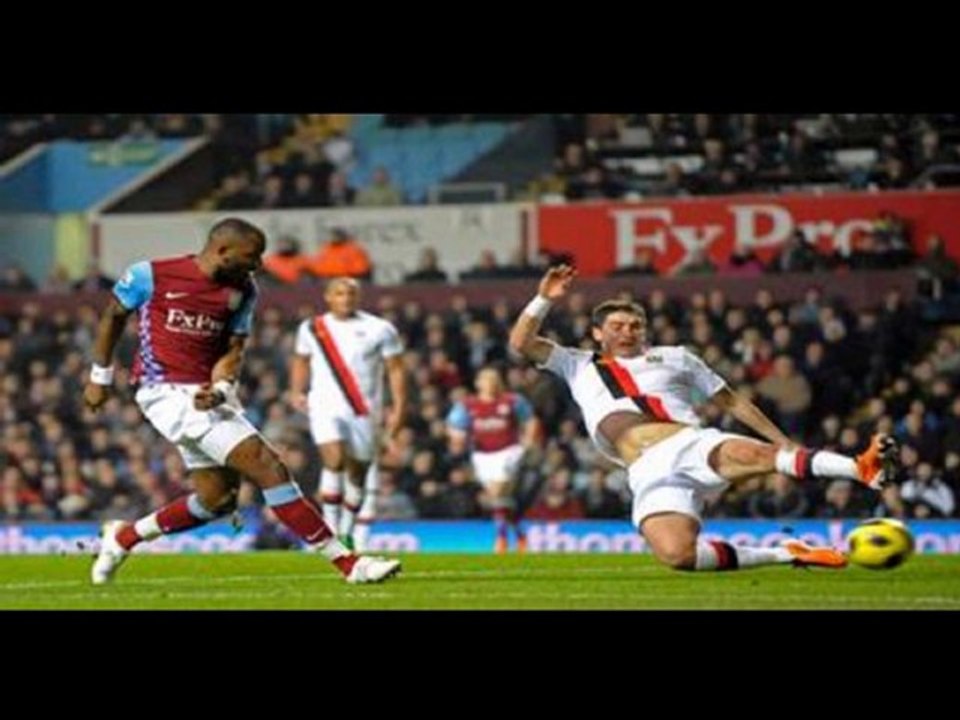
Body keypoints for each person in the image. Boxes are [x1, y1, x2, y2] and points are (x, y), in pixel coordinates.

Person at [508, 264, 898, 573]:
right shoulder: (577, 364)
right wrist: (543, 299)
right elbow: (521, 343)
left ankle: (860, 467)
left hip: (689, 443)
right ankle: (788, 553)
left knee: (761, 456)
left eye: (635, 325)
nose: (628, 332)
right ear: (597, 333)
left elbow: (732, 402)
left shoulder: (676, 356)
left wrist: (782, 439)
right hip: (645, 470)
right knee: (678, 555)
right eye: (617, 326)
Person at [84, 218, 399, 585]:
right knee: (269, 467)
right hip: (163, 390)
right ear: (222, 251)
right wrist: (100, 376)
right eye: (251, 257)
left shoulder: (243, 289)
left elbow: (234, 349)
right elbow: (113, 315)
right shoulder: (149, 275)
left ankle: (123, 537)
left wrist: (220, 387)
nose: (258, 265)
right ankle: (350, 564)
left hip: (207, 394)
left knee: (217, 500)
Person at [287, 277, 407, 551]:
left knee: (357, 473)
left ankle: (347, 529)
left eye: (351, 293)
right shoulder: (312, 328)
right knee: (335, 458)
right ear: (328, 297)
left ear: (359, 297)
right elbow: (300, 359)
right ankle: (329, 527)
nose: (346, 298)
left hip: (364, 410)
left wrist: (399, 408)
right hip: (325, 405)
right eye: (339, 294)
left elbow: (396, 370)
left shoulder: (380, 329)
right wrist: (296, 390)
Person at [446, 367, 539, 553]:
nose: (490, 383)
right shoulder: (467, 405)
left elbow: (530, 420)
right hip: (482, 455)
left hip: (508, 451)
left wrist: (529, 439)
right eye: (486, 379)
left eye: (493, 379)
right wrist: (457, 438)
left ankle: (501, 539)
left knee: (497, 493)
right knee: (499, 499)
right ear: (478, 383)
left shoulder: (512, 401)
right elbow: (453, 425)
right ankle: (520, 536)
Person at [306, 228, 372, 281]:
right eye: (333, 236)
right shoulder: (326, 250)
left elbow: (361, 269)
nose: (334, 238)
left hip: (346, 280)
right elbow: (316, 267)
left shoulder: (354, 250)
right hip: (326, 280)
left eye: (337, 236)